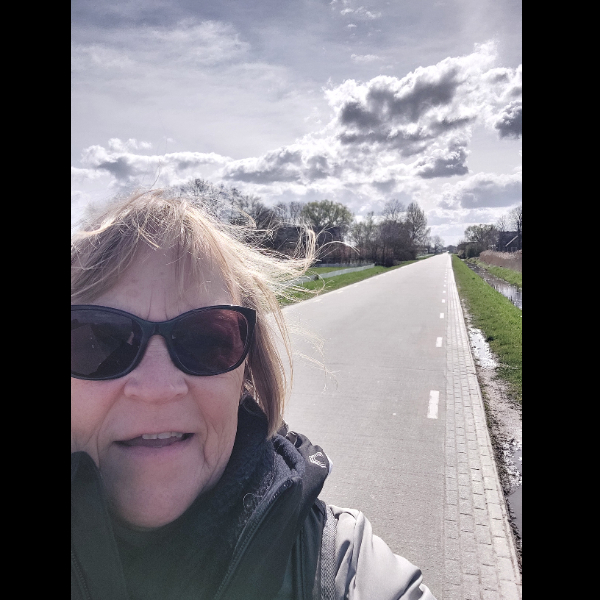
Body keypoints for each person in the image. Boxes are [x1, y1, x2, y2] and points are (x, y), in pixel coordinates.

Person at [71, 190, 437, 600]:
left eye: (206, 339)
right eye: (100, 340)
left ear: (246, 374)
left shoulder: (340, 566)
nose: (158, 389)